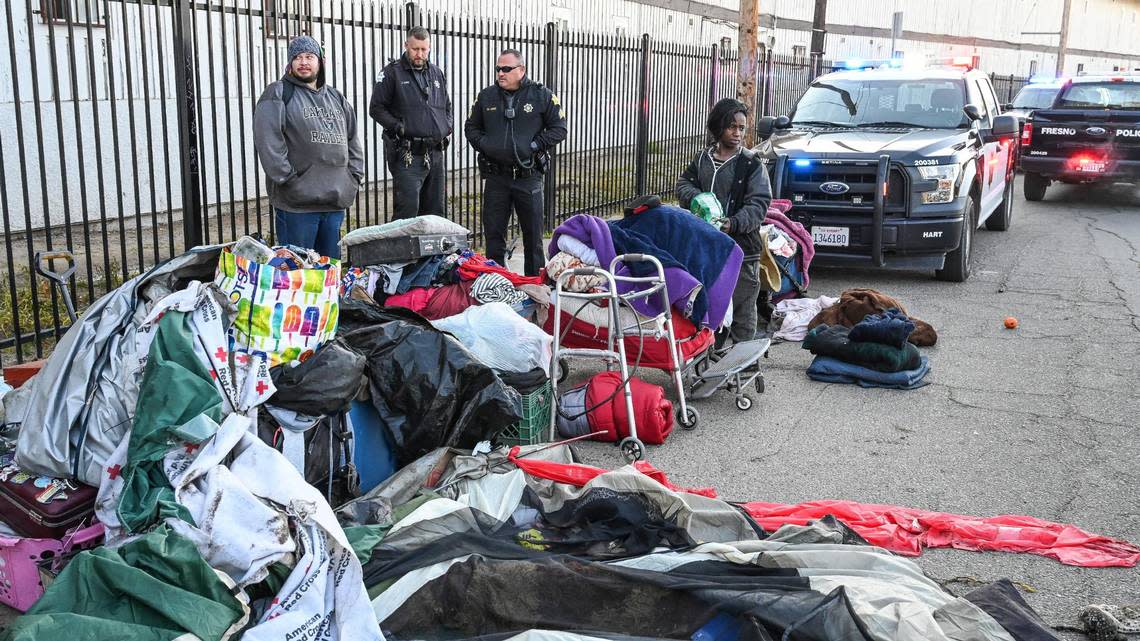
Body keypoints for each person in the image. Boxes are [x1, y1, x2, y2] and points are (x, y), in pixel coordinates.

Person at [253, 35, 363, 259]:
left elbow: (353, 140)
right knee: (298, 270)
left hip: (334, 200)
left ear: (320, 62)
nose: (304, 62)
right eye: (298, 57)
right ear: (290, 63)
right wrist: (287, 179)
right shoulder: (278, 92)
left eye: (309, 56)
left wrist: (353, 177)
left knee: (330, 268)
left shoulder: (336, 98)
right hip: (297, 204)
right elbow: (268, 140)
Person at [676, 98, 772, 344]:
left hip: (741, 250)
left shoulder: (751, 164)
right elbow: (683, 184)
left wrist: (732, 223)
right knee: (710, 304)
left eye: (741, 127)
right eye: (732, 127)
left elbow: (758, 204)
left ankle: (745, 361)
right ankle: (710, 354)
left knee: (742, 307)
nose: (738, 133)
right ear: (718, 127)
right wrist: (696, 198)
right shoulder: (702, 159)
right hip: (706, 247)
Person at [464, 49, 567, 277]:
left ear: (521, 70)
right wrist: (486, 144)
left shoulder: (541, 95)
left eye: (506, 69)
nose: (500, 73)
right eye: (498, 68)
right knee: (493, 237)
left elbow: (559, 128)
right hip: (496, 178)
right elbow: (470, 127)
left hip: (527, 177)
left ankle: (534, 286)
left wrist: (534, 146)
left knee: (533, 238)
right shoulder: (486, 96)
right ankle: (495, 284)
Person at [369, 26, 452, 220]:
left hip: (435, 152)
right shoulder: (392, 73)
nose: (419, 54)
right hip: (408, 154)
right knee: (408, 211)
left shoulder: (436, 73)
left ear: (429, 47)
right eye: (415, 49)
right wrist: (399, 127)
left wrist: (447, 126)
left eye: (424, 49)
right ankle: (402, 251)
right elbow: (376, 108)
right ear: (406, 45)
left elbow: (446, 106)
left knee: (435, 212)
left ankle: (432, 251)